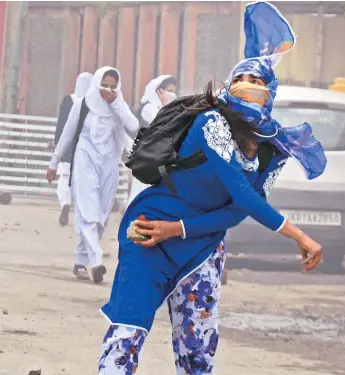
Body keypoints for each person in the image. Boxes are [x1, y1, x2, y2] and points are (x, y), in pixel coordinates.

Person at [98, 3, 326, 374]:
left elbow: (238, 210)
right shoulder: (212, 122)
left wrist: (181, 230)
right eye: (243, 79)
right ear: (229, 84)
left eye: (258, 82)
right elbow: (242, 192)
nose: (249, 86)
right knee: (127, 336)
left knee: (198, 353)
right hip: (150, 229)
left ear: (272, 92)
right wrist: (299, 235)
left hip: (202, 247)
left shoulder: (272, 148)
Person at [46, 67, 139, 283]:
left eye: (112, 85)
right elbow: (67, 134)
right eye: (103, 84)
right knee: (87, 212)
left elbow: (133, 126)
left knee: (101, 216)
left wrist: (116, 103)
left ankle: (80, 261)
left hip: (109, 163)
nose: (107, 89)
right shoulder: (83, 105)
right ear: (96, 83)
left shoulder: (118, 106)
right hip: (84, 158)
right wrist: (53, 163)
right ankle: (96, 261)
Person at [127, 75, 178, 206]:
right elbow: (164, 125)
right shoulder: (148, 107)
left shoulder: (162, 108)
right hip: (146, 157)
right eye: (169, 90)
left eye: (174, 91)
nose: (172, 94)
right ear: (158, 91)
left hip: (157, 157)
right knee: (140, 193)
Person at [51, 72, 92, 227]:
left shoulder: (68, 101)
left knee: (64, 178)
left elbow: (61, 124)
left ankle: (65, 204)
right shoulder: (93, 103)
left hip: (68, 147)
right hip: (85, 147)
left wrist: (57, 143)